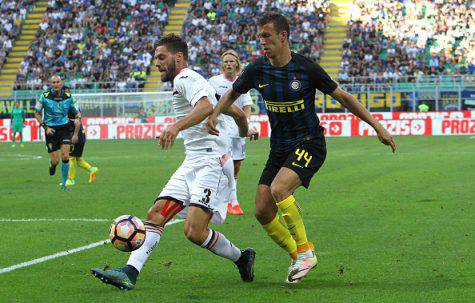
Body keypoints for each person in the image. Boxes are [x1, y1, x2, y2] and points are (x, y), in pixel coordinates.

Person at [206, 13, 396, 283]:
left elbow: (343, 97)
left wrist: (377, 126)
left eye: (267, 36)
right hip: (279, 147)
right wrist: (215, 114)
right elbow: (232, 93)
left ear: (283, 36)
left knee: (279, 188)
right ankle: (298, 256)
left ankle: (306, 253)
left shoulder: (306, 68)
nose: (262, 41)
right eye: (260, 36)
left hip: (310, 142)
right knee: (261, 210)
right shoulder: (257, 69)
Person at [91, 34, 256, 290]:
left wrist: (176, 127)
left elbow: (204, 106)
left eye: (161, 57)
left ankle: (241, 257)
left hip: (211, 163)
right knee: (156, 214)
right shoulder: (196, 80)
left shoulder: (185, 77)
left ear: (178, 57)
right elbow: (231, 110)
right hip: (193, 161)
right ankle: (129, 273)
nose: (156, 63)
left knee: (194, 231)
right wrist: (243, 128)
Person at [209, 50, 254, 216]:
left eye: (231, 61)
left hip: (238, 131)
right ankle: (232, 202)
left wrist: (248, 125)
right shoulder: (214, 82)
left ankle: (228, 200)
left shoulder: (243, 83)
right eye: (225, 61)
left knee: (235, 167)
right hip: (221, 130)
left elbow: (247, 107)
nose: (228, 64)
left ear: (236, 64)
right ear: (222, 65)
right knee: (223, 165)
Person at [34, 75, 80, 191]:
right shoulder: (44, 96)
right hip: (51, 130)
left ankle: (64, 183)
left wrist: (78, 117)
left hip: (64, 128)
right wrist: (45, 127)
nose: (55, 84)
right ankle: (52, 164)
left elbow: (77, 111)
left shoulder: (69, 97)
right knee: (56, 160)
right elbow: (36, 113)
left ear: (61, 83)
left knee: (65, 156)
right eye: (53, 82)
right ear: (50, 84)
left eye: (58, 82)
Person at [65, 104, 99, 186]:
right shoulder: (75, 105)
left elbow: (76, 121)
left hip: (75, 136)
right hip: (81, 135)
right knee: (79, 159)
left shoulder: (69, 106)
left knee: (70, 158)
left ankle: (71, 180)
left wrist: (74, 135)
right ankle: (92, 169)